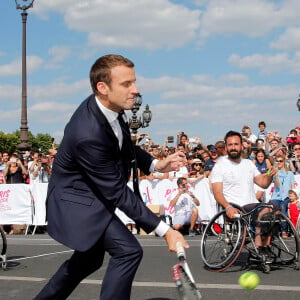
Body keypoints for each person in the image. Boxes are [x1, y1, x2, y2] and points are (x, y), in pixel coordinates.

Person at [34, 54, 188, 300]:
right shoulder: (87, 132)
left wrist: (157, 163)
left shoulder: (112, 108)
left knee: (87, 261)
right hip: (77, 203)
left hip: (92, 196)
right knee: (128, 251)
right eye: (126, 84)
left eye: (134, 82)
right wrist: (165, 230)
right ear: (102, 88)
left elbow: (125, 145)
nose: (136, 90)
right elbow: (116, 191)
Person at [210, 130, 276, 256]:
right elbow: (217, 192)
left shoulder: (248, 164)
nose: (233, 147)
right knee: (265, 210)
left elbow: (263, 183)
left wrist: (269, 175)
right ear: (226, 146)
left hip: (253, 205)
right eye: (230, 145)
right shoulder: (220, 165)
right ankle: (258, 246)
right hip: (236, 207)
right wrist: (228, 207)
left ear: (241, 146)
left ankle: (265, 246)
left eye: (236, 144)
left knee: (274, 209)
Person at [270, 155, 296, 238]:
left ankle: (284, 230)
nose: (279, 162)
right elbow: (277, 185)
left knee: (283, 206)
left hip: (286, 196)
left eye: (280, 161)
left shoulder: (290, 173)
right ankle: (273, 230)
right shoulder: (275, 173)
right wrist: (276, 174)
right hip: (276, 197)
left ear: (284, 162)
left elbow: (292, 186)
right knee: (272, 206)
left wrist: (293, 197)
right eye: (277, 161)